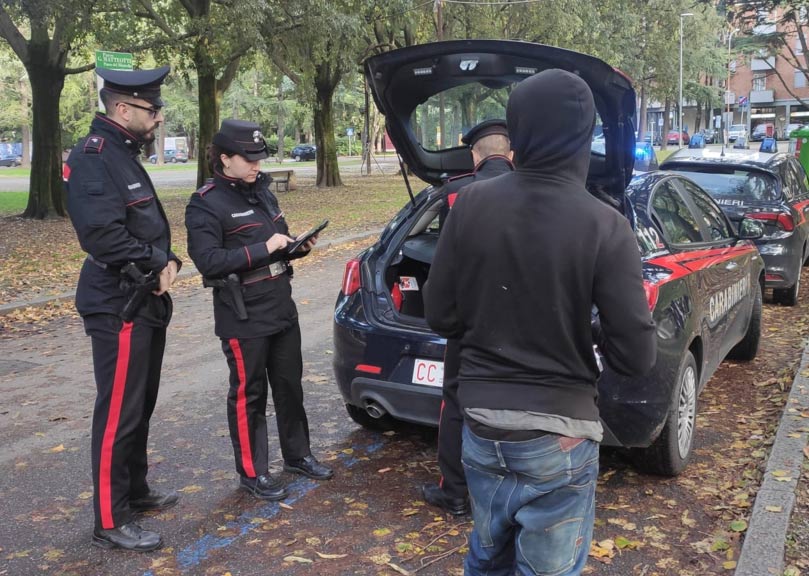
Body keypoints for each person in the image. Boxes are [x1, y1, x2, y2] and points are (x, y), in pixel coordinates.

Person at [423, 69, 657, 575]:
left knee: (487, 556)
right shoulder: (606, 225)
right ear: (583, 137)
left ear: (518, 133)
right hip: (560, 435)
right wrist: (588, 331)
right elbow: (637, 356)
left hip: (482, 424)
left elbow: (440, 313)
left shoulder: (468, 207)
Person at [185, 119, 333, 502]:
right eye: (248, 158)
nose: (256, 165)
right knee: (249, 394)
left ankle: (298, 455)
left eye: (259, 157)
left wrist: (296, 246)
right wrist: (263, 249)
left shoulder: (262, 193)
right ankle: (253, 473)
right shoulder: (205, 202)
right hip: (243, 312)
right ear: (224, 159)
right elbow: (208, 260)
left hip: (280, 304)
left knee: (289, 386)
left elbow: (277, 240)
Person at [65, 65, 181, 552]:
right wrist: (158, 260)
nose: (158, 118)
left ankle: (134, 490)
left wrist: (167, 258)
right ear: (122, 108)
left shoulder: (121, 152)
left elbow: (139, 225)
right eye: (152, 110)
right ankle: (111, 519)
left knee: (141, 404)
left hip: (141, 296)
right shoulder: (94, 156)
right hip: (119, 301)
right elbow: (102, 235)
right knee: (118, 411)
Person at [422, 119, 514, 517]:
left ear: (474, 155)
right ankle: (505, 495)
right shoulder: (536, 189)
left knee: (457, 404)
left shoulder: (456, 193)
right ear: (511, 153)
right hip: (522, 320)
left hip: (469, 321)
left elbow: (446, 262)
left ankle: (455, 493)